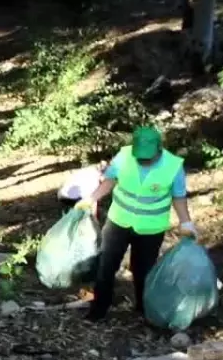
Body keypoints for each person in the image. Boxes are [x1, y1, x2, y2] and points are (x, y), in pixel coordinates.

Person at [76, 126, 196, 322]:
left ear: (159, 149)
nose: (143, 160)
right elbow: (110, 180)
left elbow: (178, 197)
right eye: (140, 156)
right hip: (118, 221)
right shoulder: (124, 156)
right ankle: (98, 309)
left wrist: (186, 222)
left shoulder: (173, 166)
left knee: (143, 271)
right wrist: (91, 198)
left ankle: (143, 309)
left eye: (148, 157)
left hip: (150, 228)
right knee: (106, 266)